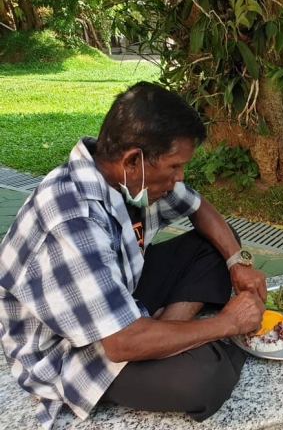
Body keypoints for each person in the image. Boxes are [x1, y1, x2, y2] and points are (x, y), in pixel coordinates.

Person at [0, 82, 267, 429]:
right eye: (174, 166)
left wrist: (238, 262)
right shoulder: (71, 219)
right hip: (67, 349)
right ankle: (166, 340)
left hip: (120, 293)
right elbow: (119, 342)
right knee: (204, 377)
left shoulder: (127, 178)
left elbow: (200, 207)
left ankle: (161, 333)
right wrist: (228, 324)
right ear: (132, 160)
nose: (179, 177)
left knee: (214, 244)